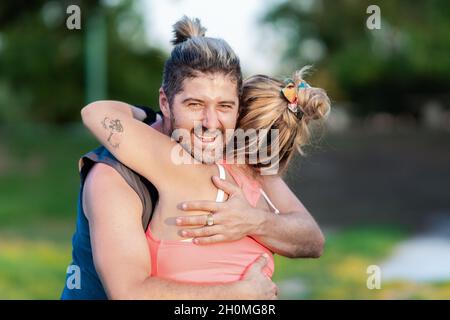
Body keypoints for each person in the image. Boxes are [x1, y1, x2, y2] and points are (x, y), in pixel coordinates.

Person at [61, 16, 326, 300]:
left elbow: (311, 239)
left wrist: (254, 221)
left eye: (224, 106)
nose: (211, 122)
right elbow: (129, 293)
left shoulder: (235, 157)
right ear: (165, 102)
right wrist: (237, 293)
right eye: (195, 105)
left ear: (238, 109)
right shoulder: (113, 176)